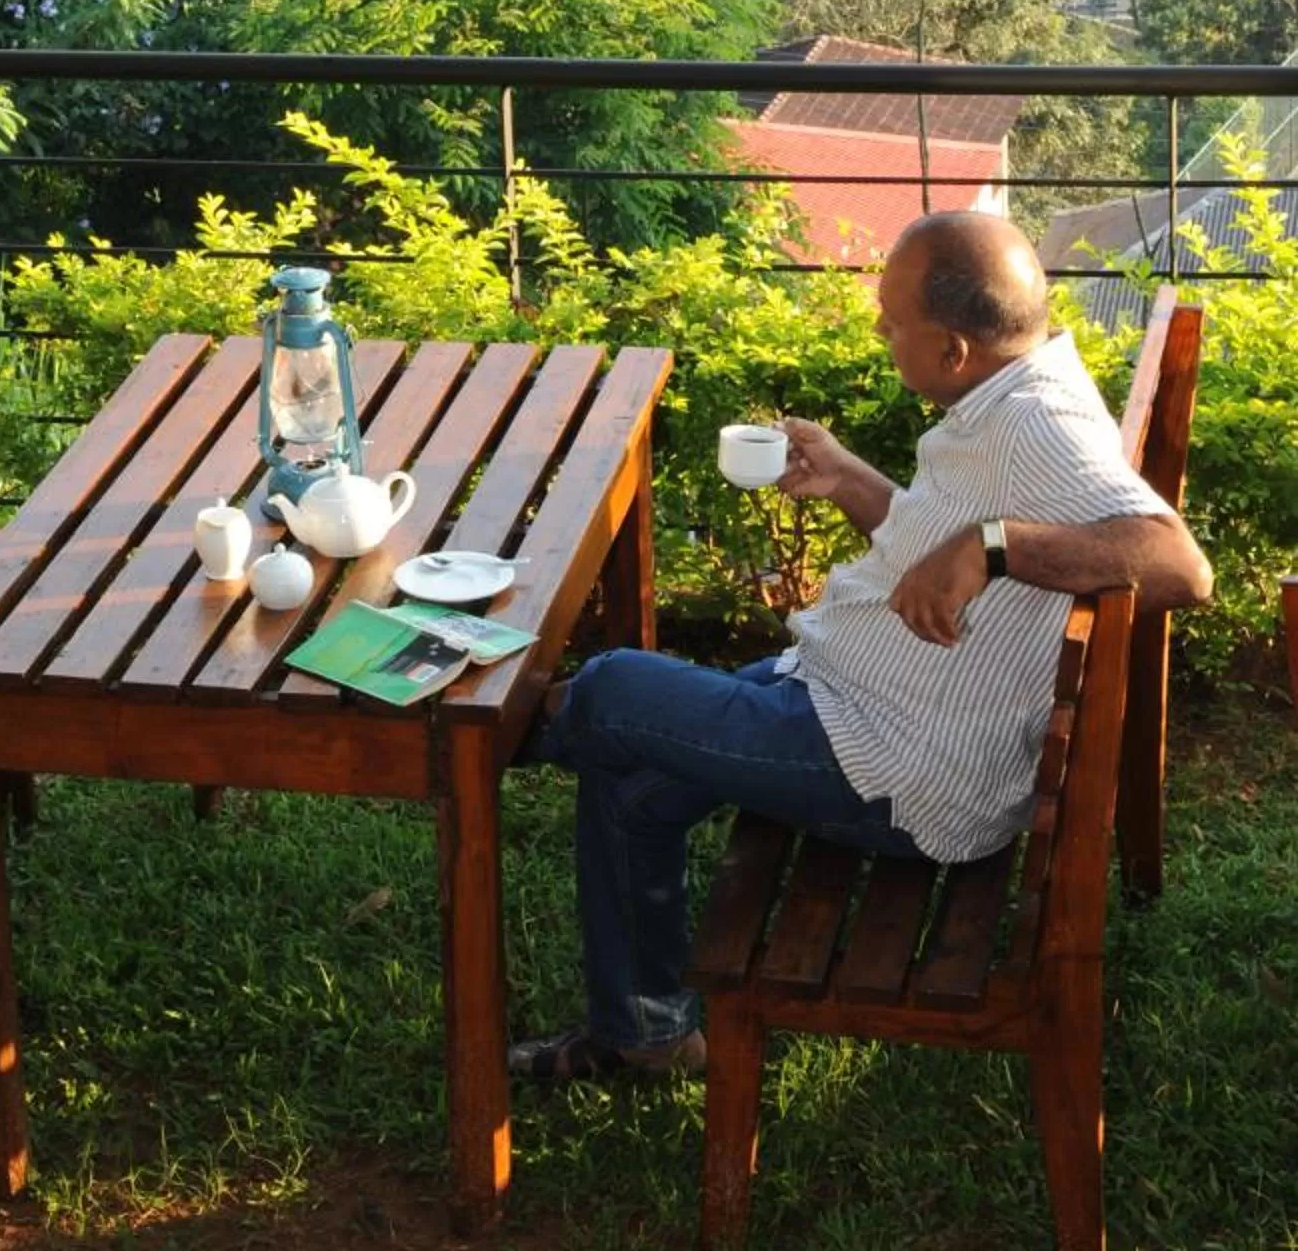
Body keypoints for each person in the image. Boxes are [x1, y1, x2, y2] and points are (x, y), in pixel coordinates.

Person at [508, 210, 1213, 1086]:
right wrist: (849, 478)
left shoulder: (1041, 429)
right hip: (852, 697)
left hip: (896, 770)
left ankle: (497, 729)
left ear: (954, 349)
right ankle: (644, 1039)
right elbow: (938, 534)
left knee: (611, 689)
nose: (879, 326)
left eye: (892, 315)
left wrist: (995, 547)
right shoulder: (1011, 391)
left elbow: (1181, 567)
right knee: (633, 785)